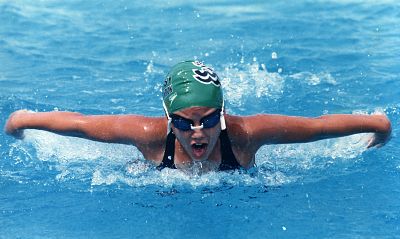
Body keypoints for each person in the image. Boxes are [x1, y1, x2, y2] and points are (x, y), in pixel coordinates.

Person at [4, 60, 392, 173]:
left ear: (222, 115)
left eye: (207, 119)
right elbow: (81, 124)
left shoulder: (246, 134)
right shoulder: (149, 135)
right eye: (184, 122)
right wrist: (22, 120)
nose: (197, 132)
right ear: (168, 118)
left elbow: (317, 128)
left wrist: (378, 126)